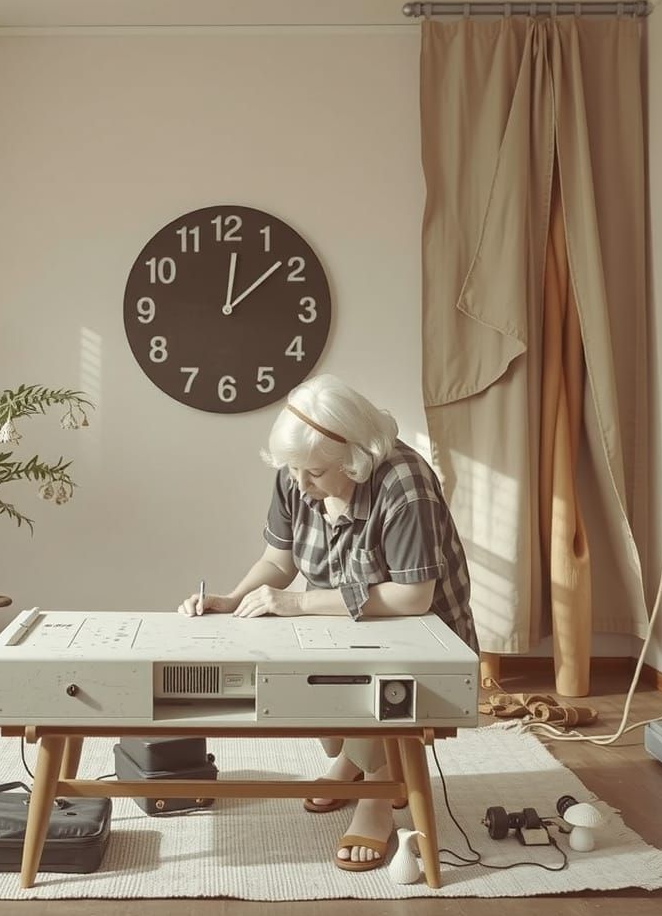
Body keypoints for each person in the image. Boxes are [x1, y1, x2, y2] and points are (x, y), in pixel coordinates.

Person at [177, 374, 478, 872]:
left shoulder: (405, 483)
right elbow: (279, 562)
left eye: (314, 473)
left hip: (421, 637)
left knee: (369, 682)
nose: (300, 484)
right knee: (309, 694)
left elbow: (412, 597)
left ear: (355, 460)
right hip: (338, 624)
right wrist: (233, 599)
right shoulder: (296, 473)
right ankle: (355, 763)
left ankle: (376, 801)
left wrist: (296, 605)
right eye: (294, 470)